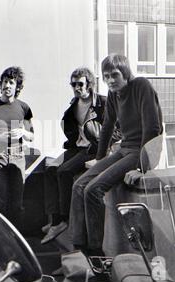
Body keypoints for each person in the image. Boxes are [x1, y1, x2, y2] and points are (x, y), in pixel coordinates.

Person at [70, 54, 163, 257]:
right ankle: (79, 249)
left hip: (140, 151)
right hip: (123, 149)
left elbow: (153, 128)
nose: (110, 80)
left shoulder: (141, 86)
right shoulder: (113, 94)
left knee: (93, 189)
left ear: (125, 73)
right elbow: (107, 126)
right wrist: (100, 156)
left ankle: (96, 254)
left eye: (114, 75)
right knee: (79, 185)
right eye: (106, 76)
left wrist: (141, 167)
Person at [41, 67, 119, 245]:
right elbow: (69, 128)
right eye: (74, 84)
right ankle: (54, 221)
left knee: (64, 171)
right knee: (51, 169)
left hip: (94, 149)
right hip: (77, 147)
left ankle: (64, 220)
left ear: (89, 84)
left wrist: (103, 140)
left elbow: (119, 130)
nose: (77, 88)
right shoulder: (73, 106)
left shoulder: (103, 103)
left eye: (80, 84)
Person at [0, 66, 34, 228]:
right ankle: (0, 242)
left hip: (18, 156)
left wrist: (23, 132)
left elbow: (32, 136)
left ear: (17, 86)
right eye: (4, 82)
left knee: (17, 204)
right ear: (0, 84)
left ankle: (17, 243)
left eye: (11, 82)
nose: (7, 85)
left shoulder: (24, 108)